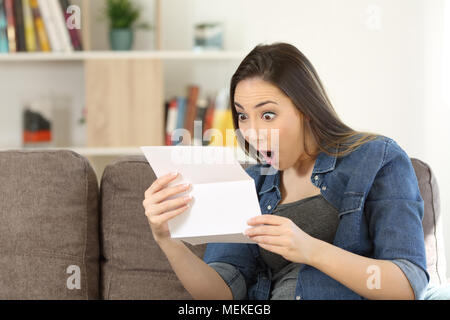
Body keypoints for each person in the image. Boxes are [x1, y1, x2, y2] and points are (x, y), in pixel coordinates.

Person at [142, 42, 450, 300]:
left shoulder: (375, 159)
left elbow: (408, 285)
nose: (252, 132)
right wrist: (167, 240)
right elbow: (222, 294)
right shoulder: (250, 183)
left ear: (305, 109)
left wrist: (310, 250)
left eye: (268, 114)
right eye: (243, 116)